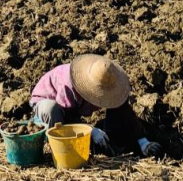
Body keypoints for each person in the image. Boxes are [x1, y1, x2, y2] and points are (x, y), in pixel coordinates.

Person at [31, 54, 163, 157]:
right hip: (49, 109)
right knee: (51, 109)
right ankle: (61, 150)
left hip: (72, 112)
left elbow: (124, 110)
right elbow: (68, 119)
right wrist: (91, 130)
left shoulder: (110, 83)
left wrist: (143, 142)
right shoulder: (68, 85)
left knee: (109, 133)